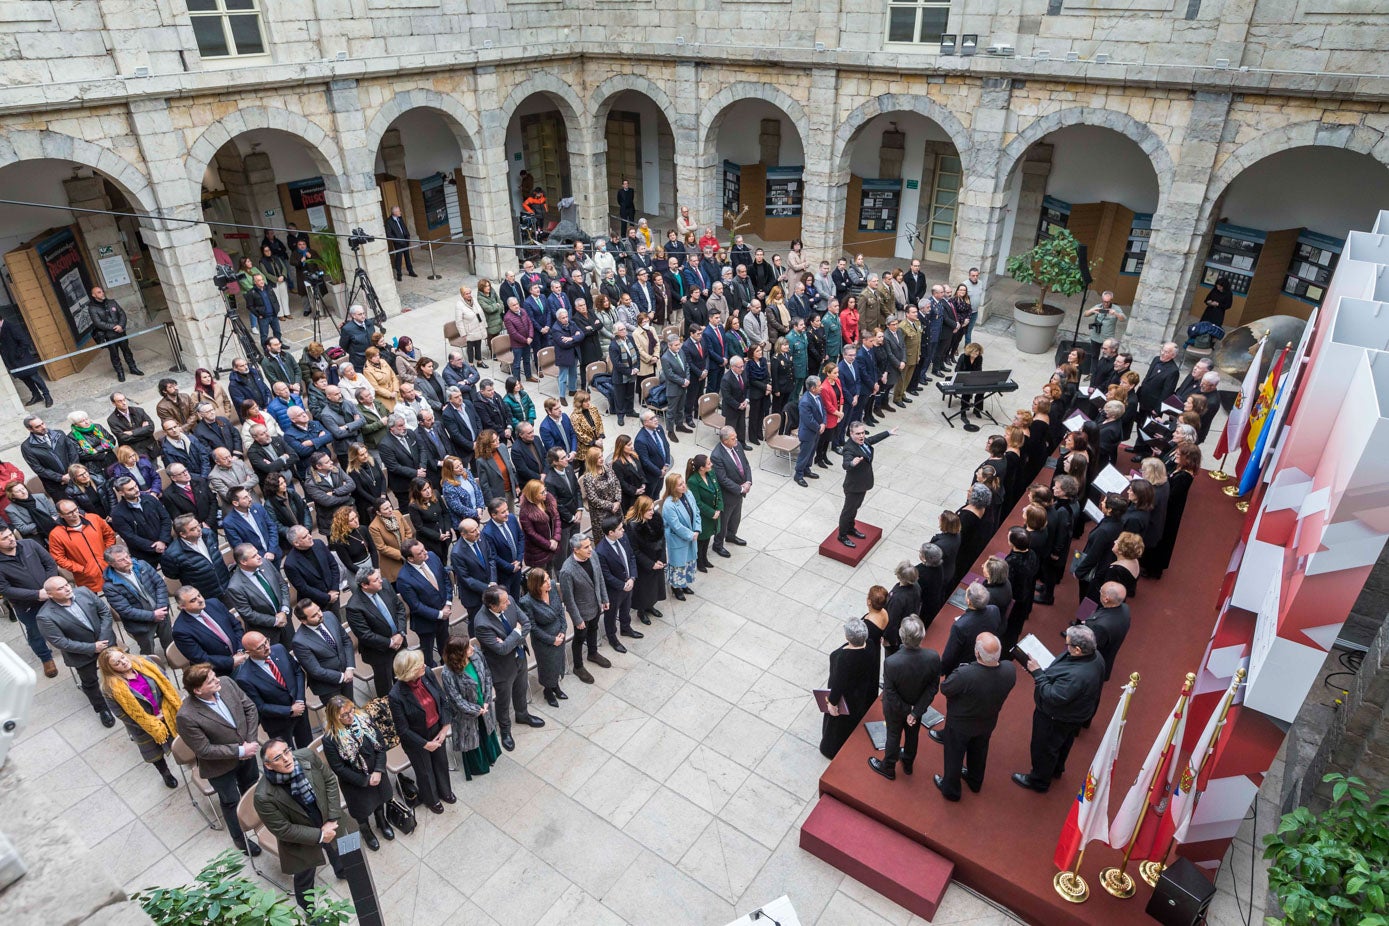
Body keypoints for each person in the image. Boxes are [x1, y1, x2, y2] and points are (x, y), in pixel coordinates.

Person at [176, 663, 263, 855]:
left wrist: (250, 741)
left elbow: (249, 708)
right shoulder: (186, 716)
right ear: (198, 690)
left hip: (246, 752)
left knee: (251, 787)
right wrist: (240, 750)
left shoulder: (227, 683)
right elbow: (204, 749)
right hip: (219, 766)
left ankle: (257, 817)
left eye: (215, 675)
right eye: (211, 680)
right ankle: (240, 839)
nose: (217, 680)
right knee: (231, 801)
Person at [254, 738, 349, 908]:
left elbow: (329, 780)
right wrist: (320, 835)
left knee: (344, 847)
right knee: (305, 876)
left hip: (329, 819)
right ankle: (309, 909)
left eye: (287, 751)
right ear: (268, 765)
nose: (286, 758)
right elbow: (283, 830)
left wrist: (332, 818)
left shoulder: (306, 755)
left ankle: (344, 870)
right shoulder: (263, 796)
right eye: (277, 758)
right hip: (301, 839)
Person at [1013, 625, 1107, 792]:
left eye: (1068, 645)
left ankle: (1039, 781)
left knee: (1044, 747)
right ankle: (1056, 768)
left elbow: (1053, 696)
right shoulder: (1096, 656)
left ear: (1078, 650)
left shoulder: (1077, 676)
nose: (1066, 647)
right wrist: (1043, 672)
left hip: (1055, 717)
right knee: (1063, 742)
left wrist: (1038, 674)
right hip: (1074, 714)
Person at [932, 632, 1017, 801]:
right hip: (987, 721)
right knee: (979, 751)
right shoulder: (1009, 670)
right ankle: (974, 780)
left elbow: (946, 688)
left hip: (960, 725)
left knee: (954, 756)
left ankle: (951, 790)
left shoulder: (965, 674)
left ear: (977, 653)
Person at [36, 575, 117, 725]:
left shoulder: (84, 592)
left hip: (106, 642)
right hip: (82, 654)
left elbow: (105, 613)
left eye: (67, 584)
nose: (67, 589)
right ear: (50, 594)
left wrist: (103, 640)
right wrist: (93, 647)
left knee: (118, 670)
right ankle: (101, 709)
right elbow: (61, 642)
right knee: (90, 682)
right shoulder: (44, 616)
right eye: (60, 588)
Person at [97, 646, 182, 788]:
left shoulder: (144, 662)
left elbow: (164, 680)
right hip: (143, 725)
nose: (123, 662)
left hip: (167, 712)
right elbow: (121, 714)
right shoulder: (110, 688)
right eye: (117, 663)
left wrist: (165, 709)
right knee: (155, 754)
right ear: (110, 669)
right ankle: (165, 773)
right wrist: (151, 721)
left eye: (122, 657)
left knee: (180, 739)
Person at [472, 585, 544, 751]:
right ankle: (505, 729)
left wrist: (511, 639)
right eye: (504, 603)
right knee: (504, 700)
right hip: (502, 667)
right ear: (493, 606)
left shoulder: (509, 599)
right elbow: (501, 650)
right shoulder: (482, 623)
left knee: (521, 688)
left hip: (520, 656)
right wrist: (516, 633)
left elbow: (526, 623)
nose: (509, 604)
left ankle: (522, 714)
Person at [868, 616, 941, 781]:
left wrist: (908, 711)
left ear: (902, 636)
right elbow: (932, 687)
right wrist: (915, 713)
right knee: (912, 734)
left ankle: (888, 767)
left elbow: (890, 692)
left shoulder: (892, 662)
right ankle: (908, 763)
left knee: (893, 734)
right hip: (917, 707)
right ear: (922, 636)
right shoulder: (933, 657)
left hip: (895, 708)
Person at [321, 695, 394, 852]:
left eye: (351, 710)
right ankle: (366, 830)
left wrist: (379, 770)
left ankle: (382, 821)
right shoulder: (330, 738)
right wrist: (365, 780)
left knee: (380, 799)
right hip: (355, 782)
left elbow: (380, 744)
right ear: (334, 717)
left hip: (376, 771)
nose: (350, 716)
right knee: (362, 810)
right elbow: (338, 768)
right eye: (344, 715)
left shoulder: (364, 719)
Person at [388, 649, 454, 814]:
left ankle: (445, 792)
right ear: (410, 671)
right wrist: (425, 744)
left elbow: (443, 701)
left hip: (437, 729)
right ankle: (431, 799)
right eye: (419, 665)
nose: (425, 665)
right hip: (416, 739)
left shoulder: (428, 674)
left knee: (441, 762)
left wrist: (445, 727)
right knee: (425, 771)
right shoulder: (396, 696)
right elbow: (403, 730)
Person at [438, 637, 503, 779]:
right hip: (466, 714)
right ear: (459, 653)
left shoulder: (476, 655)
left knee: (487, 731)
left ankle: (491, 756)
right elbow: (455, 699)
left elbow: (486, 675)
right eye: (468, 648)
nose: (472, 648)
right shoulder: (448, 673)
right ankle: (479, 766)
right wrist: (476, 710)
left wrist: (486, 701)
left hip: (483, 705)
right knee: (472, 739)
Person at [0, 525, 60, 677]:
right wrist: (36, 594)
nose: (10, 539)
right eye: (4, 538)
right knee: (35, 631)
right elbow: (5, 589)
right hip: (26, 605)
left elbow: (50, 563)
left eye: (10, 535)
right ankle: (46, 658)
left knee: (65, 619)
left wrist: (49, 585)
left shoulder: (29, 544)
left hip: (52, 594)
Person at [236, 630, 311, 748]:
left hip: (300, 710)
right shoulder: (244, 678)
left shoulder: (279, 649)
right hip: (278, 723)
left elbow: (298, 672)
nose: (267, 647)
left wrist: (300, 700)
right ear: (248, 652)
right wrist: (290, 710)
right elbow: (260, 706)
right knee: (287, 754)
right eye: (260, 647)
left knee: (307, 747)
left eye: (266, 641)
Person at [819, 617, 881, 760]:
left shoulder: (844, 659)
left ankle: (831, 750)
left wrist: (832, 703)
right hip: (860, 694)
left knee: (837, 726)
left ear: (848, 637)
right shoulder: (871, 646)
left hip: (845, 698)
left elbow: (837, 684)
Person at [345, 566, 406, 697]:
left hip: (400, 641)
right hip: (379, 652)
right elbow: (365, 635)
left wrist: (401, 633)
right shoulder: (354, 607)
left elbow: (400, 608)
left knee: (404, 675)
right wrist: (390, 642)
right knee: (386, 687)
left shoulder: (385, 586)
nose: (381, 581)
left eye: (379, 577)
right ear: (364, 585)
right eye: (376, 579)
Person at [102, 544, 171, 657]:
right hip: (141, 624)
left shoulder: (142, 565)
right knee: (148, 653)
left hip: (162, 613)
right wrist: (152, 615)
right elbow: (125, 610)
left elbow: (160, 585)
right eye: (121, 560)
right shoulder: (109, 586)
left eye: (127, 556)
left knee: (169, 643)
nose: (127, 561)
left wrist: (161, 608)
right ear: (112, 564)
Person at [396, 538, 454, 668]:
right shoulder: (404, 578)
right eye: (420, 553)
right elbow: (415, 606)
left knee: (446, 647)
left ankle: (448, 669)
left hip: (444, 614)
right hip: (426, 623)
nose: (426, 553)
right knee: (427, 655)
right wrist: (439, 614)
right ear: (410, 559)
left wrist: (448, 603)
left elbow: (445, 580)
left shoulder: (432, 557)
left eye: (424, 549)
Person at [225, 544, 294, 649]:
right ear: (243, 562)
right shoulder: (235, 587)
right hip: (267, 632)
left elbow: (282, 585)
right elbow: (248, 614)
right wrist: (275, 621)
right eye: (254, 556)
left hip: (286, 620)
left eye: (257, 553)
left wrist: (284, 610)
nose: (259, 556)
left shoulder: (265, 563)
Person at [838, 421, 894, 548]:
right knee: (848, 511)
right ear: (851, 434)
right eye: (858, 434)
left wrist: (888, 433)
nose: (862, 436)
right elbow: (845, 464)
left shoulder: (864, 442)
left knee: (855, 508)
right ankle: (842, 535)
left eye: (863, 433)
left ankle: (850, 528)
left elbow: (873, 439)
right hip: (853, 486)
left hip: (863, 483)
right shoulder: (849, 448)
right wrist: (852, 463)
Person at [519, 567, 567, 707]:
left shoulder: (552, 587)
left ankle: (556, 686)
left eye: (547, 578)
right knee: (547, 667)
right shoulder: (527, 602)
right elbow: (533, 627)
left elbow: (560, 612)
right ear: (536, 585)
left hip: (559, 634)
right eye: (544, 581)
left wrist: (563, 631)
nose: (549, 582)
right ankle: (548, 691)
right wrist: (552, 640)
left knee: (558, 663)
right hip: (544, 641)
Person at [292, 598, 354, 701]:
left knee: (351, 708)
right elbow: (316, 671)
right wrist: (343, 676)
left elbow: (346, 641)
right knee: (339, 716)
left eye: (319, 610)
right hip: (328, 688)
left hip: (347, 675)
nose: (320, 615)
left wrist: (350, 668)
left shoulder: (329, 616)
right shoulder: (299, 641)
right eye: (314, 615)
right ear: (303, 621)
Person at [940, 582, 1002, 677]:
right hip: (983, 660)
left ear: (968, 601)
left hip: (962, 668)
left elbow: (950, 655)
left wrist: (943, 669)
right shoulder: (994, 610)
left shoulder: (960, 626)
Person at [88, 285, 144, 381]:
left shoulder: (111, 302)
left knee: (127, 351)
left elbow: (122, 314)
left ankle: (133, 368)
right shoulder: (92, 308)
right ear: (94, 295)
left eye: (102, 291)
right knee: (114, 355)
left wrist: (121, 326)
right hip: (109, 335)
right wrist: (114, 327)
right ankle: (120, 373)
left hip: (121, 332)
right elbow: (98, 323)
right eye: (99, 292)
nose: (102, 293)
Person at [1078, 582, 1131, 683]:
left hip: (1092, 665)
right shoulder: (1125, 608)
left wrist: (1087, 627)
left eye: (1101, 592)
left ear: (1106, 599)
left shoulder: (1100, 626)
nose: (1099, 593)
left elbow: (1090, 647)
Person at [660, 471, 700, 601]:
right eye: (680, 485)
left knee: (688, 562)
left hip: (692, 535)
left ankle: (684, 584)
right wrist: (691, 535)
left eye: (683, 482)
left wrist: (697, 529)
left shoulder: (689, 494)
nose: (684, 486)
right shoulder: (669, 505)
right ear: (673, 488)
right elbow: (676, 526)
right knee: (678, 565)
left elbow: (696, 512)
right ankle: (676, 587)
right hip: (678, 539)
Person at [711, 426, 751, 550]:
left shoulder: (737, 446)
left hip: (740, 492)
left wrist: (748, 481)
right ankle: (718, 545)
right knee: (723, 521)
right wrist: (740, 489)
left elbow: (746, 464)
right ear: (725, 441)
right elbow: (722, 479)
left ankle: (731, 536)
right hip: (728, 495)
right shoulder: (717, 456)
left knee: (735, 517)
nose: (737, 440)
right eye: (733, 439)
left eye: (736, 437)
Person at [0, 314, 53, 406]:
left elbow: (24, 341)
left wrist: (18, 353)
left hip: (22, 359)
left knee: (35, 378)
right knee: (25, 379)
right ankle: (36, 395)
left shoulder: (11, 326)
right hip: (12, 362)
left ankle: (47, 396)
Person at [884, 562, 921, 656]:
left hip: (897, 636)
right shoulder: (916, 587)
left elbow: (892, 621)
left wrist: (888, 639)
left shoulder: (897, 599)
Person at [794, 375, 825, 487]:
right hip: (808, 433)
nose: (821, 387)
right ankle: (798, 475)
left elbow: (823, 410)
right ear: (812, 388)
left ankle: (807, 469)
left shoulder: (818, 396)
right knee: (804, 455)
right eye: (819, 385)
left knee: (811, 453)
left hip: (817, 431)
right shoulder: (805, 402)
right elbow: (808, 420)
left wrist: (823, 423)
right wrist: (819, 427)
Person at [1082, 292, 1126, 363]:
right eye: (1104, 302)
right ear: (1102, 300)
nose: (1106, 304)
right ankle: (1093, 373)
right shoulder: (1098, 306)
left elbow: (1123, 319)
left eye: (1108, 302)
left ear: (1111, 300)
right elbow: (1085, 314)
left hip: (1107, 338)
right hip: (1096, 335)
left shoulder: (1116, 308)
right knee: (1094, 356)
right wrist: (1091, 311)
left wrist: (1115, 313)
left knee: (1106, 357)